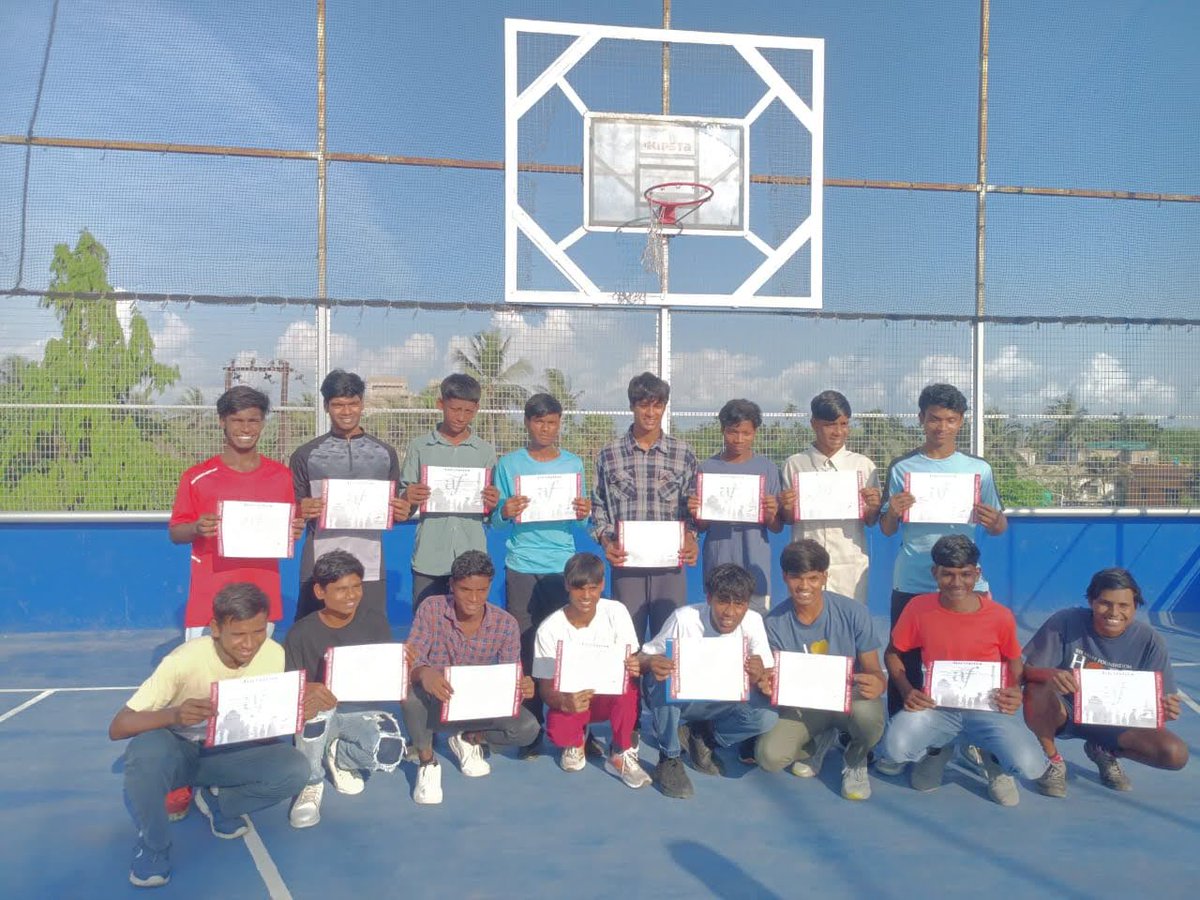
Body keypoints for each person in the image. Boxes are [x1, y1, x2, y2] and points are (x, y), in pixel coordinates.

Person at [109, 583, 310, 888]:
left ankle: (219, 799)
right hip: (179, 751)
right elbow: (118, 726)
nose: (250, 643)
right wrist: (173, 715)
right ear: (215, 628)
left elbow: (269, 727)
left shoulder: (274, 655)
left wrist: (298, 711)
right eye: (238, 634)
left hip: (227, 753)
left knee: (295, 768)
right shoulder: (183, 661)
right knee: (145, 752)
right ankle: (154, 847)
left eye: (258, 631)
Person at [877, 535, 1045, 806]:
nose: (957, 583)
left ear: (977, 573)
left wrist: (1015, 690)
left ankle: (993, 760)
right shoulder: (918, 609)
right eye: (948, 574)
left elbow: (1014, 660)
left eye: (966, 574)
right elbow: (893, 653)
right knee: (896, 748)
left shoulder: (999, 616)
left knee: (1032, 767)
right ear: (935, 573)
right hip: (938, 708)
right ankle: (940, 747)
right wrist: (908, 690)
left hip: (988, 708)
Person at [879, 383, 1006, 715]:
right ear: (921, 419)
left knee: (974, 661)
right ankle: (902, 730)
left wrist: (993, 521)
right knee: (904, 659)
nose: (942, 427)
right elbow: (887, 528)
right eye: (935, 419)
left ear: (961, 422)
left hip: (963, 582)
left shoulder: (979, 469)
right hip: (912, 580)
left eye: (950, 420)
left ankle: (975, 736)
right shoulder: (902, 468)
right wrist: (893, 510)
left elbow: (999, 525)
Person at [1022, 567, 1188, 798]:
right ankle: (1054, 761)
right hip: (1065, 711)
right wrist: (1050, 675)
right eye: (1105, 603)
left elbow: (1160, 702)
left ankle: (1103, 749)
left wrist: (1165, 711)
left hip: (1116, 721)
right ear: (1091, 601)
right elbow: (1026, 671)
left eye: (1124, 606)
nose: (1114, 612)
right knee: (1035, 689)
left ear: (1135, 607)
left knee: (1175, 754)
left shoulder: (1150, 641)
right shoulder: (1065, 621)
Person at [493, 393, 591, 758]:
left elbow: (581, 520)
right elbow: (497, 521)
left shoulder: (574, 463)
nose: (546, 428)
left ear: (559, 423)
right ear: (527, 423)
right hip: (521, 565)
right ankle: (532, 729)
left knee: (567, 647)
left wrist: (583, 510)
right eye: (538, 422)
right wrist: (506, 509)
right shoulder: (509, 463)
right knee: (526, 645)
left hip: (560, 565)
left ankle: (570, 727)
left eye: (552, 422)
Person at [401, 549, 539, 805]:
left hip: (477, 706)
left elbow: (511, 675)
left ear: (489, 587)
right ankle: (427, 761)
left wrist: (521, 687)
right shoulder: (431, 608)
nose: (474, 598)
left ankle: (469, 738)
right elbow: (411, 659)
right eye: (465, 590)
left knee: (528, 728)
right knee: (409, 695)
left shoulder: (506, 624)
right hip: (437, 700)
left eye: (481, 590)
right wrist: (424, 672)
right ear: (452, 585)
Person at [284, 550, 407, 828]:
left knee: (389, 751)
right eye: (341, 589)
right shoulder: (300, 633)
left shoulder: (375, 621)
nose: (351, 595)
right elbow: (289, 690)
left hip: (361, 713)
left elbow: (384, 674)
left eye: (356, 586)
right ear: (319, 591)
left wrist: (400, 664)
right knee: (315, 710)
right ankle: (311, 781)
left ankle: (339, 755)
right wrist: (309, 688)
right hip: (319, 717)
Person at [756, 540, 887, 801]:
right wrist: (766, 684)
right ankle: (819, 740)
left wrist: (877, 683)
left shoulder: (854, 612)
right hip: (805, 708)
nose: (804, 587)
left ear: (825, 577)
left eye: (813, 578)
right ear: (784, 576)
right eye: (796, 578)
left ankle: (855, 758)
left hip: (850, 701)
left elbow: (875, 671)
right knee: (768, 757)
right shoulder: (772, 624)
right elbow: (771, 678)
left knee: (870, 717)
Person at [169, 386, 302, 640]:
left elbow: (287, 531)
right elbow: (176, 532)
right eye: (237, 421)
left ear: (263, 423)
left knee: (256, 678)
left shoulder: (281, 476)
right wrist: (196, 528)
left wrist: (293, 531)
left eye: (253, 420)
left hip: (261, 598)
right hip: (211, 600)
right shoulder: (197, 477)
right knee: (206, 678)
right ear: (222, 421)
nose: (245, 429)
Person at [639, 563, 778, 799]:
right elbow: (644, 656)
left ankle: (704, 737)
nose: (730, 612)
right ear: (709, 598)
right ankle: (669, 757)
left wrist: (760, 675)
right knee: (664, 677)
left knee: (766, 716)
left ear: (747, 604)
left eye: (739, 603)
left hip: (721, 704)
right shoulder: (684, 619)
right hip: (683, 703)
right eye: (723, 601)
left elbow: (768, 677)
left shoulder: (753, 621)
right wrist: (652, 663)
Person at [291, 370, 411, 623]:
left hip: (369, 564)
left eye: (353, 403)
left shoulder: (385, 454)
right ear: (326, 406)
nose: (346, 412)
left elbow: (395, 510)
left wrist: (403, 511)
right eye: (338, 405)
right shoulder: (305, 455)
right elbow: (292, 512)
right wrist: (301, 509)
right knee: (313, 634)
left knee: (368, 637)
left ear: (362, 404)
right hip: (319, 565)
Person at [591, 371, 699, 642]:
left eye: (657, 405)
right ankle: (632, 687)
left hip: (669, 566)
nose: (650, 412)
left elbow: (692, 506)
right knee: (628, 641)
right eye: (643, 405)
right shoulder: (609, 454)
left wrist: (691, 537)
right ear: (631, 406)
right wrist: (606, 542)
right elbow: (598, 504)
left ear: (664, 407)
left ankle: (662, 687)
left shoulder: (683, 453)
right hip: (626, 565)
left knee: (670, 640)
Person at [532, 552, 651, 788]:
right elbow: (545, 689)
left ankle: (620, 751)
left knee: (628, 687)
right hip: (574, 698)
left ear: (602, 585)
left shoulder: (616, 612)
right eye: (579, 589)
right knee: (558, 733)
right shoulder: (548, 629)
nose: (586, 596)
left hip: (609, 697)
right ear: (567, 585)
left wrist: (639, 664)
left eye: (593, 588)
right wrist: (566, 702)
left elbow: (632, 661)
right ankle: (577, 739)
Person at [400, 373, 500, 610]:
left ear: (476, 409)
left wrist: (494, 502)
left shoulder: (484, 452)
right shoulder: (419, 447)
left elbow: (492, 511)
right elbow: (404, 508)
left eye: (468, 411)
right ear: (440, 404)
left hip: (472, 554)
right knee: (427, 623)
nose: (460, 417)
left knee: (470, 624)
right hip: (430, 557)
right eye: (454, 409)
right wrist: (408, 497)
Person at [780, 390, 881, 604]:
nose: (838, 432)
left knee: (848, 624)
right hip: (806, 566)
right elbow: (787, 519)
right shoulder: (795, 464)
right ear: (814, 424)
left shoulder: (863, 466)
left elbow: (871, 520)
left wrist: (872, 507)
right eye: (830, 425)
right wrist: (786, 506)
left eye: (844, 424)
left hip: (849, 564)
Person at [688, 398, 783, 614]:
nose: (739, 439)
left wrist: (770, 512)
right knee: (719, 624)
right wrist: (697, 511)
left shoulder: (767, 468)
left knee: (756, 627)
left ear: (755, 432)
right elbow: (701, 526)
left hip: (755, 564)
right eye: (732, 432)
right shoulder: (707, 468)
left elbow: (776, 526)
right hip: (719, 561)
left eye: (746, 433)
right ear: (722, 430)